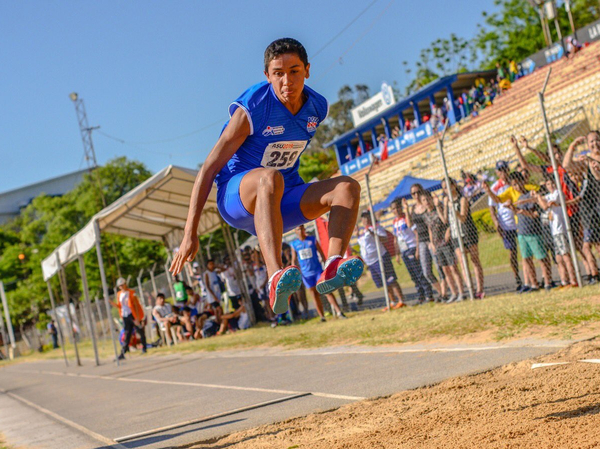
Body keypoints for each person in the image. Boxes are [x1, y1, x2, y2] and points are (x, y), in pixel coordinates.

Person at [170, 38, 364, 315]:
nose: (287, 81)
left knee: (347, 186)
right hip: (238, 198)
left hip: (281, 200)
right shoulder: (254, 106)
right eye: (278, 73)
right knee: (270, 177)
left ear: (307, 70)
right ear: (267, 76)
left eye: (294, 71)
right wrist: (190, 232)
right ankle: (276, 277)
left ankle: (332, 265)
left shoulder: (317, 108)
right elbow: (208, 169)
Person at [485, 172, 553, 291]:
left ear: (523, 181)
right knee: (526, 259)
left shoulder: (529, 193)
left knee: (542, 257)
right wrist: (489, 191)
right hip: (521, 230)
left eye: (518, 183)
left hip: (533, 230)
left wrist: (523, 206)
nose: (517, 187)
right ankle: (534, 284)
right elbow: (498, 200)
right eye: (514, 185)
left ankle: (548, 282)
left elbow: (535, 212)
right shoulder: (516, 195)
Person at [562, 132, 600, 285]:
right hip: (592, 209)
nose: (595, 144)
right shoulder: (586, 162)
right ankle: (594, 274)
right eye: (591, 141)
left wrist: (592, 162)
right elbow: (566, 165)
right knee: (590, 245)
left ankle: (595, 273)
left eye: (597, 140)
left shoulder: (591, 160)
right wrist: (572, 147)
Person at [290, 224, 347, 322]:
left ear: (304, 229)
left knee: (327, 291)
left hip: (317, 271)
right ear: (295, 231)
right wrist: (294, 271)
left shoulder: (312, 240)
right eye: (298, 229)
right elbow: (294, 260)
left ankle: (339, 312)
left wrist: (327, 267)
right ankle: (322, 317)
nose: (300, 231)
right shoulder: (294, 244)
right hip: (306, 274)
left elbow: (321, 253)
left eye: (302, 229)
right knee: (314, 295)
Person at [443, 178, 485, 299]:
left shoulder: (462, 199)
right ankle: (470, 289)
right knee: (462, 263)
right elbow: (445, 220)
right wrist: (442, 206)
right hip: (456, 235)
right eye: (444, 188)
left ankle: (479, 290)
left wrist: (453, 208)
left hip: (467, 233)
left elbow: (462, 218)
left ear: (454, 185)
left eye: (448, 186)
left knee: (474, 260)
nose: (447, 189)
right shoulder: (446, 201)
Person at [533, 176, 578, 288]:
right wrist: (535, 197)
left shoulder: (558, 193)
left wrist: (538, 197)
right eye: (548, 184)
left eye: (552, 183)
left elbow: (544, 206)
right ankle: (564, 281)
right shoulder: (549, 195)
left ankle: (573, 280)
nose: (551, 186)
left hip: (560, 229)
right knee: (558, 258)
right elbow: (540, 200)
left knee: (565, 256)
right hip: (554, 231)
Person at [357, 211, 405, 309]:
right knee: (384, 283)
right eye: (363, 219)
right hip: (371, 262)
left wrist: (373, 234)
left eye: (366, 218)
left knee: (391, 280)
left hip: (380, 258)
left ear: (370, 218)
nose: (365, 221)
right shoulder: (363, 231)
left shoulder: (376, 227)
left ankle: (401, 300)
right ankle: (392, 302)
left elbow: (385, 239)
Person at [405, 183, 445, 299]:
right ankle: (440, 292)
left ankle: (445, 293)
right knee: (426, 272)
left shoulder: (426, 203)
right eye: (413, 193)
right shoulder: (413, 208)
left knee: (439, 267)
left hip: (433, 238)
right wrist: (406, 210)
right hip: (421, 240)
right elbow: (410, 224)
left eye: (418, 192)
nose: (416, 195)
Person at [391, 198, 434, 303]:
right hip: (404, 250)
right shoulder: (395, 222)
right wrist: (397, 254)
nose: (396, 210)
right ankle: (421, 295)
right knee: (413, 275)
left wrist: (417, 249)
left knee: (419, 272)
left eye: (397, 207)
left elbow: (416, 233)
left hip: (412, 247)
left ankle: (429, 294)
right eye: (393, 209)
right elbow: (396, 239)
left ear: (401, 208)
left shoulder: (406, 218)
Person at [488, 160, 522, 291]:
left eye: (505, 169)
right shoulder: (495, 187)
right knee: (512, 252)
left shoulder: (514, 182)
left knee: (526, 250)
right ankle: (517, 278)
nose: (503, 172)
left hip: (519, 220)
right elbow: (492, 207)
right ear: (497, 172)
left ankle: (532, 277)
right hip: (506, 223)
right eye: (500, 170)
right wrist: (496, 223)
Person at [424, 193, 464, 302]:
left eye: (428, 199)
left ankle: (461, 292)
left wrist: (448, 231)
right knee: (445, 270)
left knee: (453, 268)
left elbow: (447, 221)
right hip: (437, 245)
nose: (427, 202)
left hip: (446, 243)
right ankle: (454, 293)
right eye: (424, 200)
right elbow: (430, 230)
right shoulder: (426, 215)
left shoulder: (439, 208)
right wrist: (432, 243)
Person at [112, 277, 147, 359]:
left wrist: (137, 318)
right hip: (125, 316)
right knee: (127, 334)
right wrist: (110, 302)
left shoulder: (131, 292)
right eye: (119, 286)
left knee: (140, 331)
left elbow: (136, 305)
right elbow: (119, 306)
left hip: (133, 315)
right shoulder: (119, 294)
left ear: (125, 284)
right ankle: (123, 352)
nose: (121, 287)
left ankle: (144, 348)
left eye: (122, 285)